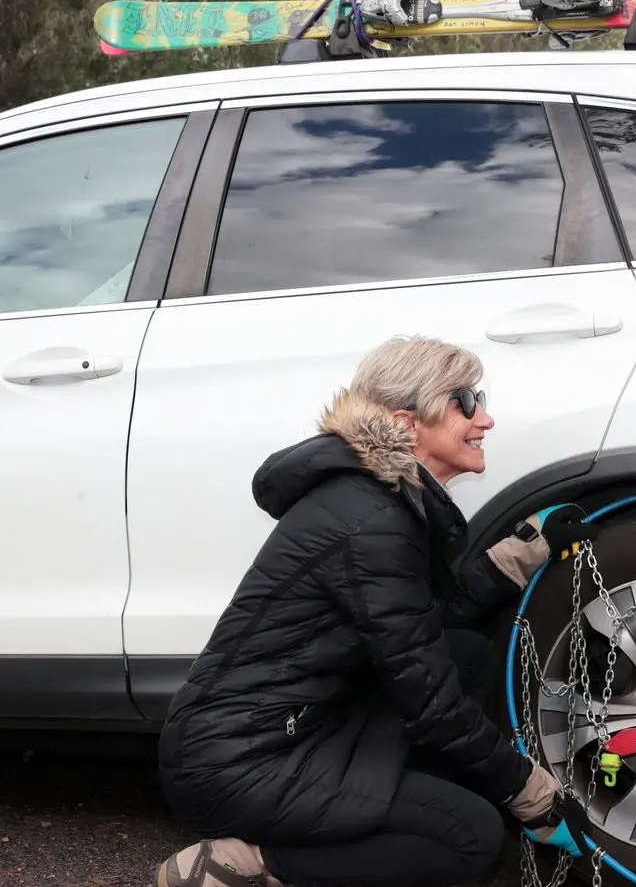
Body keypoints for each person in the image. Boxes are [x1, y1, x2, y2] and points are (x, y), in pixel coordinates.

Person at [152, 335, 600, 887]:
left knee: (466, 654)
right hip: (237, 763)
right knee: (470, 838)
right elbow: (430, 702)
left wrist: (524, 549)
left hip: (297, 727)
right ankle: (245, 863)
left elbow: (428, 622)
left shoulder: (380, 501)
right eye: (465, 401)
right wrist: (534, 796)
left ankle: (389, 809)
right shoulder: (371, 520)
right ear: (408, 423)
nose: (485, 418)